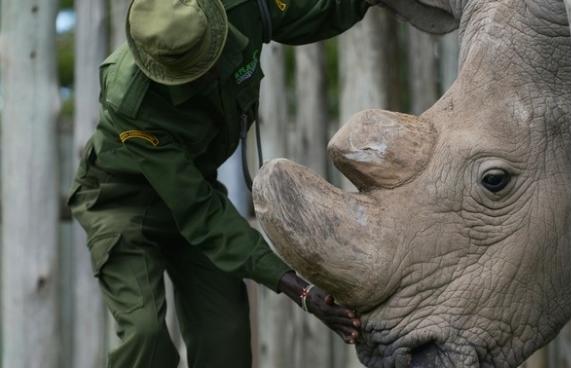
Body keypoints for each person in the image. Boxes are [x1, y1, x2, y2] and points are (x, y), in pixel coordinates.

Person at [67, 0, 376, 367]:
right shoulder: (132, 102)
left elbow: (303, 15)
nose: (210, 73)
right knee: (145, 337)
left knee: (225, 334)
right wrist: (296, 287)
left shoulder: (239, 8)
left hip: (196, 190)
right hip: (123, 206)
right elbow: (199, 211)